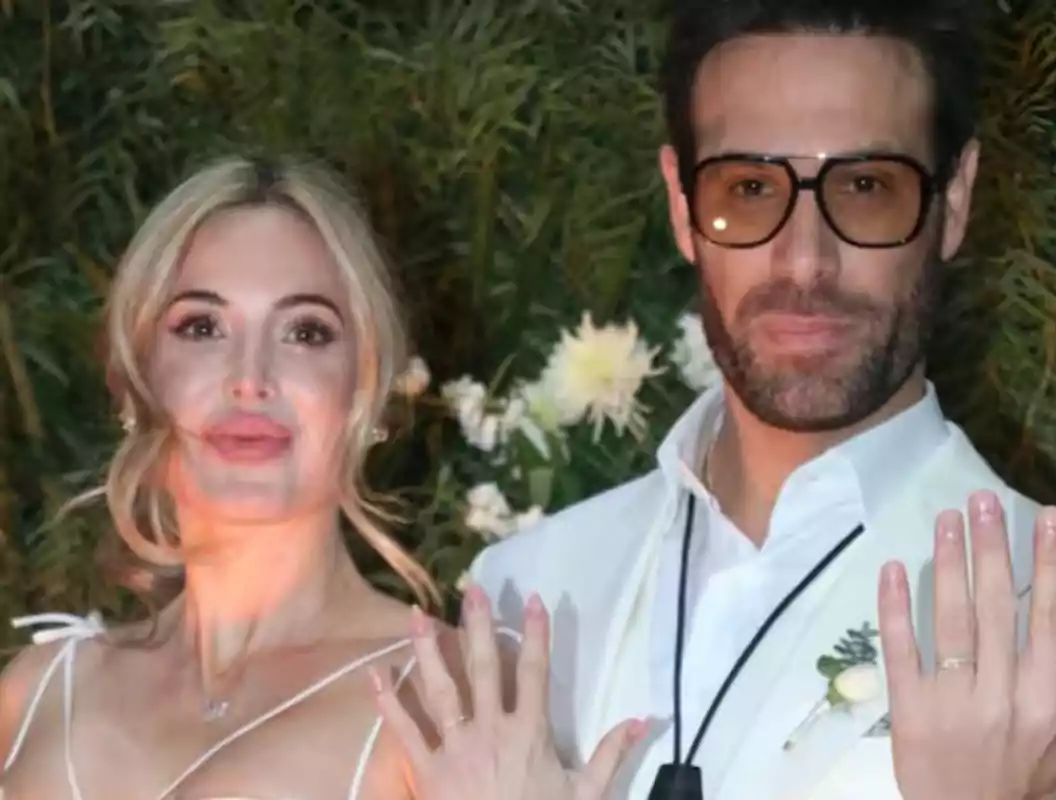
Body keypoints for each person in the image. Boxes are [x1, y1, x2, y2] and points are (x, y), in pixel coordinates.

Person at [464, 1, 1056, 798]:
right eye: (748, 188)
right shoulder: (525, 597)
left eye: (864, 187)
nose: (805, 260)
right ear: (682, 206)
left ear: (952, 202)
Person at [0, 155, 626, 799]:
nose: (250, 377)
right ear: (136, 379)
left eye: (305, 332)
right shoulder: (40, 689)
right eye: (202, 326)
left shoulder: (452, 698)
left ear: (368, 389)